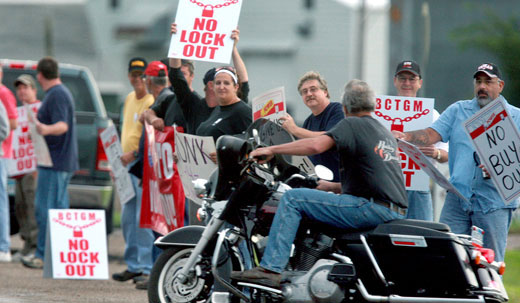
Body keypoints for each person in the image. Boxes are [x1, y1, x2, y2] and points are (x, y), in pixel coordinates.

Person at [231, 79, 407, 288]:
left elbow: (316, 145)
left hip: (370, 207)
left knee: (292, 199)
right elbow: (374, 177)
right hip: (390, 208)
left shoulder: (351, 124)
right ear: (373, 105)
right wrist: (333, 187)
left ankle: (270, 268)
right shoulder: (382, 130)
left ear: (344, 108)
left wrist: (272, 150)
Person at [393, 63, 518, 262]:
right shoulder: (458, 110)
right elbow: (431, 134)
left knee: (490, 262)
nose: (482, 87)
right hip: (458, 198)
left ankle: (488, 294)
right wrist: (405, 136)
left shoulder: (515, 116)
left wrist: (503, 165)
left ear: (500, 85)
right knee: (446, 255)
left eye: (488, 82)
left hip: (494, 202)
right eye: (478, 81)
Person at [22, 57, 79, 269]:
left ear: (39, 76)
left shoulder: (57, 95)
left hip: (55, 162)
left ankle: (44, 255)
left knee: (47, 209)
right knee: (56, 209)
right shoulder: (58, 93)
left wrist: (44, 130)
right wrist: (38, 133)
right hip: (56, 160)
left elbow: (62, 126)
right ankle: (57, 255)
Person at [112, 58, 155, 284]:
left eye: (141, 75)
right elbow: (124, 132)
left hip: (140, 164)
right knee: (128, 217)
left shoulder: (150, 101)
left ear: (147, 78)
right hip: (125, 164)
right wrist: (117, 163)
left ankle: (146, 266)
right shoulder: (129, 99)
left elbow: (148, 138)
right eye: (134, 74)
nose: (137, 79)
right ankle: (133, 263)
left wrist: (134, 156)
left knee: (142, 216)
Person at [167, 23, 250, 135]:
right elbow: (176, 77)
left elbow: (243, 81)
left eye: (226, 83)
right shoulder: (194, 105)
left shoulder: (237, 108)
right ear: (211, 85)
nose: (222, 87)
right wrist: (176, 42)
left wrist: (233, 48)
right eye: (218, 82)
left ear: (235, 87)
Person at [393, 60, 448, 221]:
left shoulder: (432, 114)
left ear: (420, 83)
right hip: (389, 186)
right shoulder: (382, 110)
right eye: (402, 78)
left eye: (412, 79)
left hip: (419, 186)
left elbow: (447, 154)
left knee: (422, 237)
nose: (407, 83)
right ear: (395, 81)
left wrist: (436, 153)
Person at [280, 71, 344, 182]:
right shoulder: (308, 122)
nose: (309, 94)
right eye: (304, 92)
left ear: (325, 92)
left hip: (339, 184)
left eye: (313, 89)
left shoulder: (338, 110)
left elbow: (329, 137)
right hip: (318, 183)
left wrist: (295, 129)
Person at [12, 74, 41, 262]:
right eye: (19, 88)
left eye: (26, 87)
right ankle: (26, 243)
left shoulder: (40, 109)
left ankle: (34, 246)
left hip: (34, 167)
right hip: (19, 168)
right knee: (20, 206)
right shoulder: (19, 112)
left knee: (32, 206)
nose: (22, 91)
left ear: (34, 90)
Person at [0, 65, 18, 262]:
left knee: (1, 200)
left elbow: (12, 123)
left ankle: (3, 246)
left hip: (2, 153)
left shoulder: (3, 93)